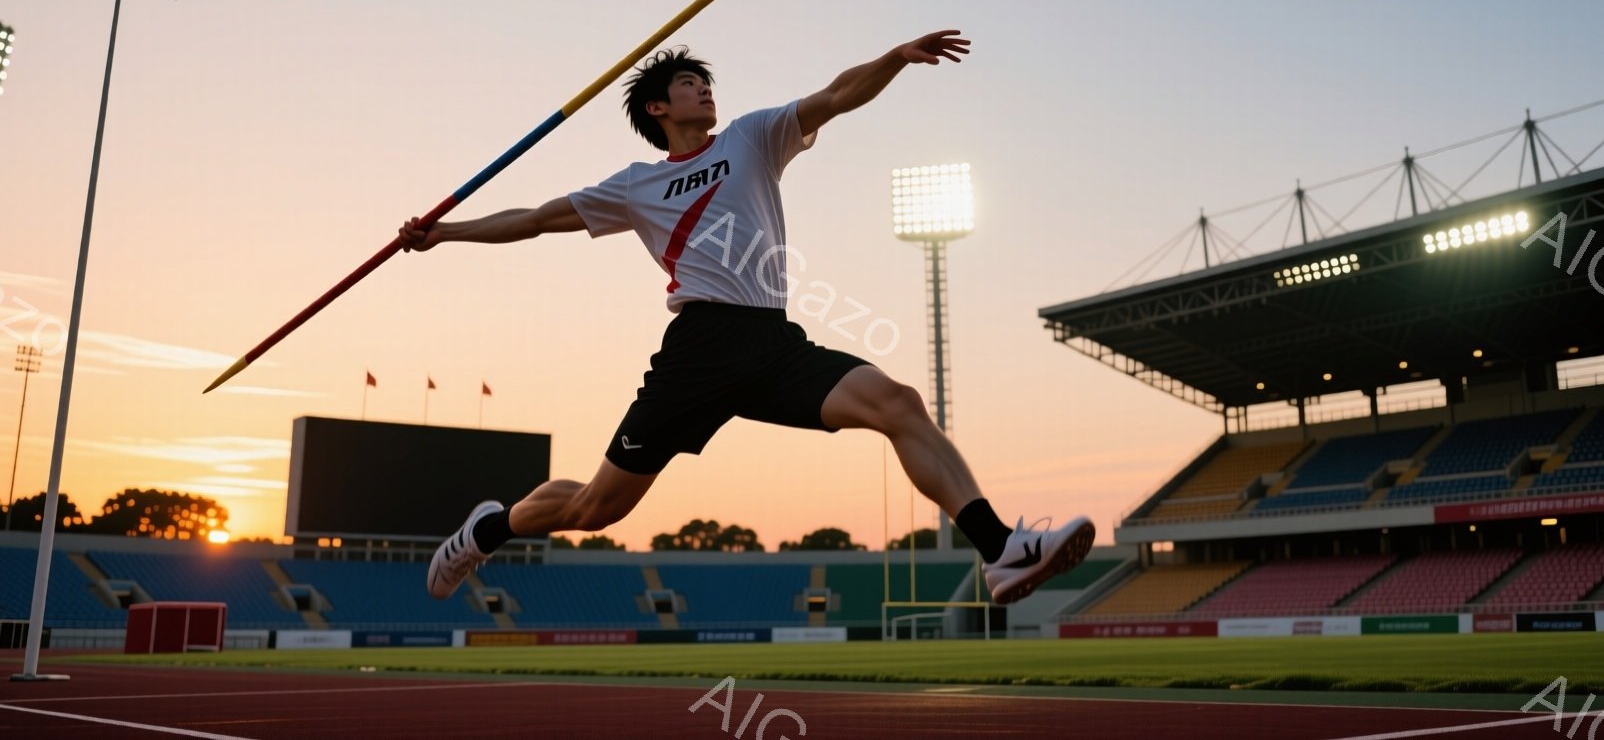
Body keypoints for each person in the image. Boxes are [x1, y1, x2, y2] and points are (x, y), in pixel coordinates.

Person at [400, 30, 1092, 606]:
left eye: (705, 81)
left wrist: (895, 58)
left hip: (772, 341)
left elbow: (836, 96)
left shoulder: (753, 137)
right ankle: (489, 530)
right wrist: (447, 232)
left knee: (898, 404)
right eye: (689, 84)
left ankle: (1000, 549)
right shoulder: (637, 186)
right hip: (699, 348)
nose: (705, 89)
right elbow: (535, 219)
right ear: (657, 107)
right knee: (593, 511)